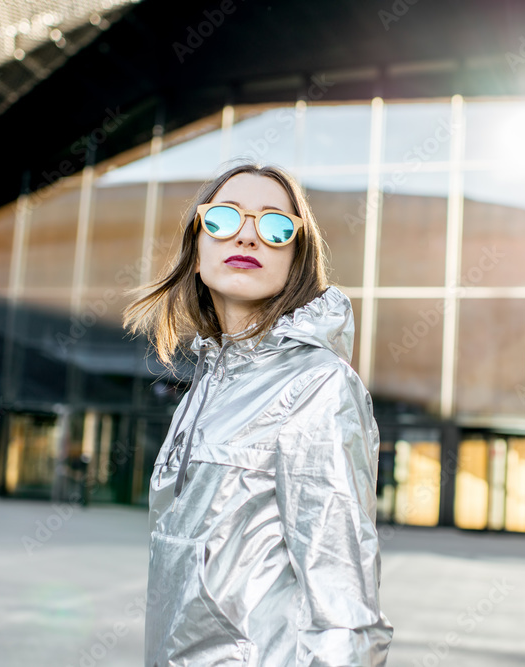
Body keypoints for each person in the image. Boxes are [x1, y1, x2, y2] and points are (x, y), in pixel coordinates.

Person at [123, 161, 394, 666]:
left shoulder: (317, 385)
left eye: (275, 227)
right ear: (197, 248)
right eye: (225, 218)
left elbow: (344, 602)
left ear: (297, 258)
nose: (247, 237)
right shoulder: (205, 389)